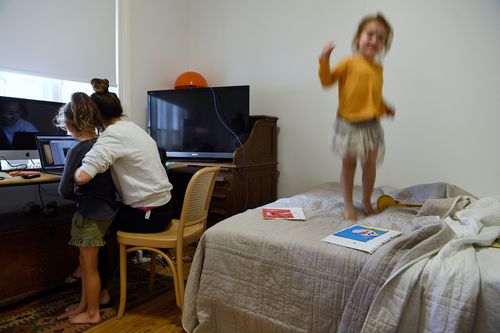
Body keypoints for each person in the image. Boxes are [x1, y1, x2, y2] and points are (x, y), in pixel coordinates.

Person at [70, 78, 174, 309]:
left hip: (149, 215)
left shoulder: (112, 136)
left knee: (97, 225)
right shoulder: (133, 128)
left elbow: (82, 177)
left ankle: (102, 291)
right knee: (103, 217)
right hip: (164, 208)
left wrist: (75, 166)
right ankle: (90, 278)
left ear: (95, 117)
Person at [318, 13, 395, 221]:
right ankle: (348, 205)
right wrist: (324, 60)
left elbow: (373, 96)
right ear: (357, 38)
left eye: (381, 38)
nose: (374, 40)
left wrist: (385, 107)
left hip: (371, 125)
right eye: (370, 34)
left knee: (370, 165)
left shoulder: (378, 68)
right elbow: (326, 81)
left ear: (383, 46)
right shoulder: (348, 63)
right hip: (348, 125)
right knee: (348, 164)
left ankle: (367, 200)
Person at [55, 92, 118, 324]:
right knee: (85, 263)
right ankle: (84, 305)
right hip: (108, 211)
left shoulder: (77, 150)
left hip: (90, 214)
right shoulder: (103, 144)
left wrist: (74, 194)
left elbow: (64, 190)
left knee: (89, 267)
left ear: (70, 126)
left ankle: (92, 314)